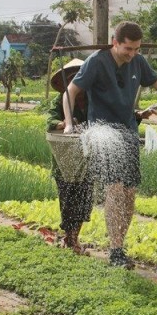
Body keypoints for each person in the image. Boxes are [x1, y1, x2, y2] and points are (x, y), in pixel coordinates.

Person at [63, 21, 157, 268]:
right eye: (127, 49)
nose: (131, 54)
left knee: (130, 194)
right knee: (115, 188)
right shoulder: (96, 62)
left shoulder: (138, 62)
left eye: (136, 49)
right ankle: (116, 250)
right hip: (102, 133)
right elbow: (71, 91)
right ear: (115, 42)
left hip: (128, 132)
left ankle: (120, 245)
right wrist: (68, 124)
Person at [46, 58, 92, 255]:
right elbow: (50, 120)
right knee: (68, 199)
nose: (76, 83)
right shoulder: (60, 100)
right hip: (64, 160)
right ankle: (70, 238)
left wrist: (138, 115)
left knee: (84, 200)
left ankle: (74, 238)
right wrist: (64, 123)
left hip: (87, 159)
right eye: (72, 79)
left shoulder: (94, 99)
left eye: (79, 78)